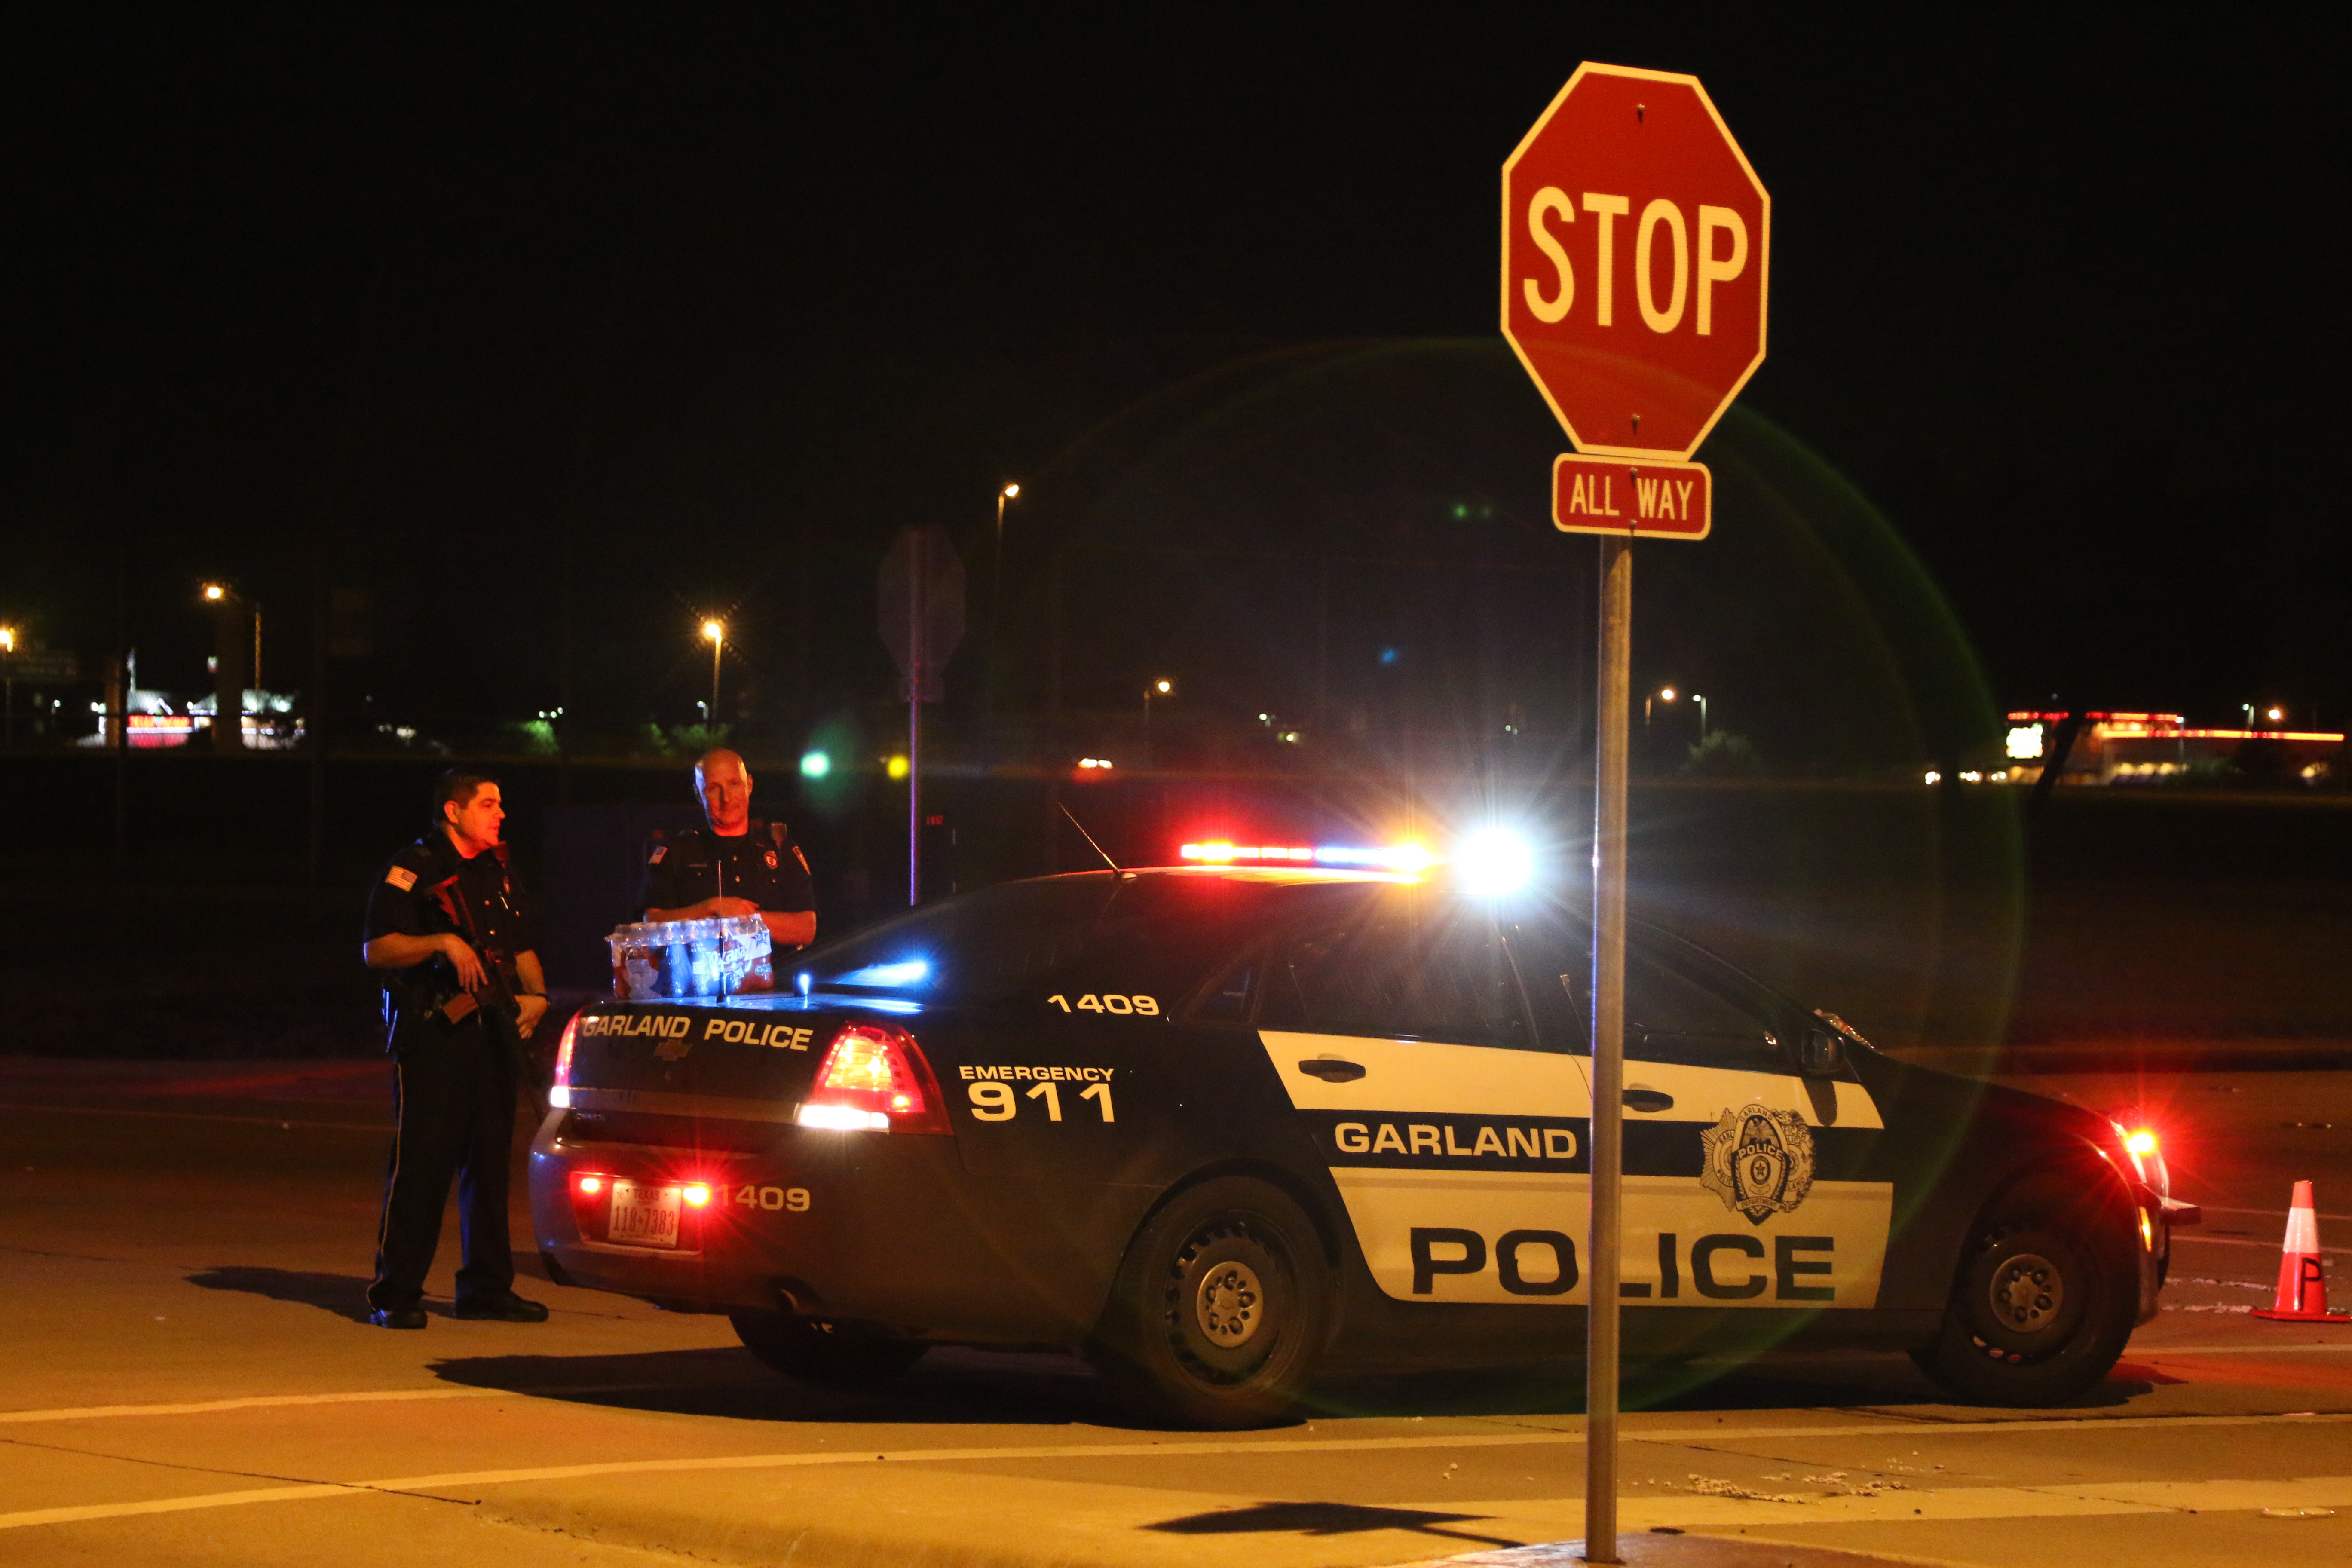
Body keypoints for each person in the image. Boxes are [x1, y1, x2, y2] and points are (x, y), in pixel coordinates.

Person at [361, 769, 551, 1329]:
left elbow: (519, 946)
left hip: (492, 1035)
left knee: (490, 1167)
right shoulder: (416, 869)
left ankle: (486, 1289)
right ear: (454, 812)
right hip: (434, 1038)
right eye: (489, 804)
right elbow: (377, 949)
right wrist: (443, 941)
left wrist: (536, 996)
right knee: (423, 1165)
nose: (501, 814)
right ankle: (395, 1294)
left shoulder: (498, 869)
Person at [639, 748, 817, 952]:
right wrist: (711, 908)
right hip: (699, 981)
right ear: (698, 793)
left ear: (749, 785)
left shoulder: (779, 848)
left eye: (734, 784)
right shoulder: (677, 851)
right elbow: (650, 926)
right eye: (714, 788)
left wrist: (745, 919)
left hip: (773, 980)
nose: (726, 798)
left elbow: (807, 929)